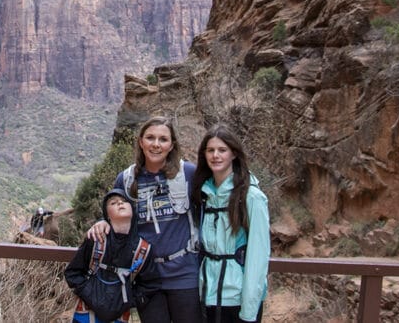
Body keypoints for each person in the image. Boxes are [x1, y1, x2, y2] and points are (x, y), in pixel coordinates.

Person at [88, 115, 200, 322]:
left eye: (163, 139)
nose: (156, 144)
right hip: (146, 277)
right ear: (141, 142)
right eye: (150, 138)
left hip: (184, 274)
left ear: (171, 145)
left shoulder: (188, 173)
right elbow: (115, 213)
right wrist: (104, 222)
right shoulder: (127, 179)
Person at [191, 124, 270, 323]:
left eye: (222, 150)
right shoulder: (204, 195)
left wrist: (249, 310)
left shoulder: (251, 197)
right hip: (206, 294)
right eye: (210, 150)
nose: (215, 155)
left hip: (237, 298)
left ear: (234, 154)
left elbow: (258, 257)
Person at [66, 189, 161, 322]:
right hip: (87, 314)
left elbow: (151, 284)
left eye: (124, 201)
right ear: (107, 214)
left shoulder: (143, 249)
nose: (120, 204)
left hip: (119, 315)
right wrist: (89, 293)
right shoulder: (96, 239)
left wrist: (128, 302)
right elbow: (72, 273)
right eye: (113, 203)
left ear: (133, 210)